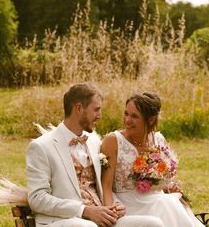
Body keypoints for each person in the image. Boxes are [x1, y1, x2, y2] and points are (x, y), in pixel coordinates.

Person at [26, 82, 164, 227]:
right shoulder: (41, 147)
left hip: (100, 218)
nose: (100, 116)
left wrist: (116, 205)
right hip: (62, 221)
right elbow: (37, 198)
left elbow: (103, 186)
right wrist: (85, 210)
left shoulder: (94, 141)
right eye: (96, 110)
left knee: (153, 223)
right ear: (79, 108)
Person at [100, 92, 204, 227]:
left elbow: (166, 178)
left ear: (150, 120)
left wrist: (170, 186)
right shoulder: (113, 141)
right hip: (128, 203)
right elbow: (105, 186)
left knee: (168, 202)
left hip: (156, 198)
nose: (127, 120)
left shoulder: (158, 140)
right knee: (166, 203)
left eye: (134, 116)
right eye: (126, 114)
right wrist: (111, 211)